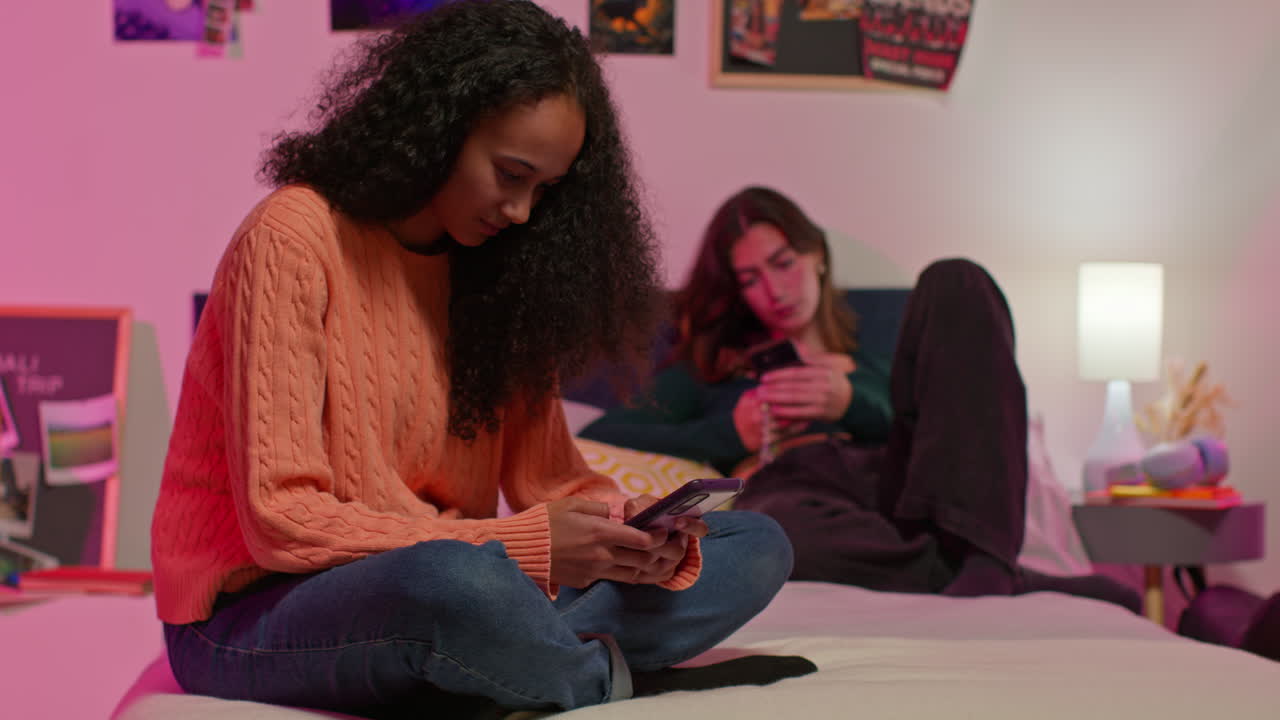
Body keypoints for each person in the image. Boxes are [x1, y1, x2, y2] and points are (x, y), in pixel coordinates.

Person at [150, 5, 807, 718]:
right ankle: (578, 676)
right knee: (455, 583)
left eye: (544, 190)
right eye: (509, 173)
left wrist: (629, 527)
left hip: (451, 581)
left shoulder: (501, 273)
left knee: (753, 544)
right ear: (439, 127)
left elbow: (550, 480)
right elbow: (281, 521)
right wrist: (523, 546)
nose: (521, 211)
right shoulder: (294, 238)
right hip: (255, 612)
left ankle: (503, 661)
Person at [581, 186, 1141, 610]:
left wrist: (849, 400)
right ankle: (992, 575)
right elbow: (599, 433)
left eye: (783, 263)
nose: (773, 290)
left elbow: (953, 424)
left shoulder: (880, 353)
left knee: (957, 280)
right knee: (770, 537)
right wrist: (732, 432)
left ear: (816, 256)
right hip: (800, 489)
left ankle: (983, 561)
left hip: (902, 485)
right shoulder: (720, 368)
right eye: (750, 278)